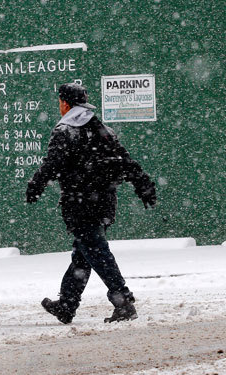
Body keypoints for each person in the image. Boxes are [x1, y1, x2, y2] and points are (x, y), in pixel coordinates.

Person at [26, 83, 156, 324]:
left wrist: (36, 184)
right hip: (104, 202)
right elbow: (124, 161)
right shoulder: (102, 129)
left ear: (65, 103)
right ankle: (66, 305)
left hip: (79, 202)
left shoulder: (66, 130)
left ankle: (123, 301)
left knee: (95, 252)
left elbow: (52, 163)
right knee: (83, 254)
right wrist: (143, 184)